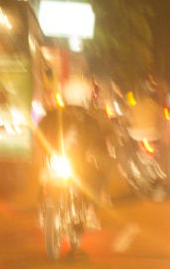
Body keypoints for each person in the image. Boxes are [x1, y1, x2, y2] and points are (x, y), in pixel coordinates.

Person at [35, 76, 116, 228]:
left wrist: (44, 150)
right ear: (85, 97)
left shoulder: (52, 115)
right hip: (65, 162)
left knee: (45, 178)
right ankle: (90, 211)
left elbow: (38, 133)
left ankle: (86, 211)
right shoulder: (88, 118)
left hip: (65, 162)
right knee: (95, 178)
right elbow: (100, 144)